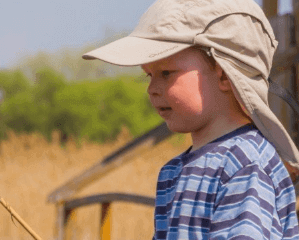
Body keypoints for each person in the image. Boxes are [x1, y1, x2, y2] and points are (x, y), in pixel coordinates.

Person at [82, 0, 299, 239]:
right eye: (149, 75)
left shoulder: (245, 164)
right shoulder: (172, 172)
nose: (152, 89)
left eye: (166, 73)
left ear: (225, 74)